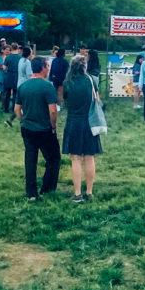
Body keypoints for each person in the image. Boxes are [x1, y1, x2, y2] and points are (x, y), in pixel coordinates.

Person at [15, 57, 60, 201]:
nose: (48, 69)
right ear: (42, 68)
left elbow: (17, 110)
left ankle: (31, 193)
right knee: (53, 159)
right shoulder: (47, 87)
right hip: (44, 129)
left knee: (30, 160)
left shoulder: (23, 86)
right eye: (47, 66)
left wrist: (23, 121)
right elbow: (53, 111)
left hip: (27, 129)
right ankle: (47, 188)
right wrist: (53, 126)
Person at [62, 55, 102, 203]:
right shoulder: (91, 80)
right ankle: (89, 192)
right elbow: (97, 100)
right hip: (90, 122)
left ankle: (77, 193)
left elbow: (65, 101)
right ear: (84, 66)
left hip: (73, 122)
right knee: (90, 157)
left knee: (76, 159)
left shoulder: (67, 82)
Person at [2, 44, 22, 124]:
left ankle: (5, 108)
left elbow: (4, 68)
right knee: (15, 94)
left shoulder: (8, 57)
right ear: (17, 48)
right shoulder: (20, 58)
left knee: (6, 93)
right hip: (17, 76)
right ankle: (13, 108)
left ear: (11, 49)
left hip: (8, 76)